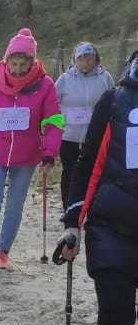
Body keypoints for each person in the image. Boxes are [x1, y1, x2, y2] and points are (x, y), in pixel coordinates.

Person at [57, 49, 138, 325]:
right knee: (117, 313)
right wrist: (73, 222)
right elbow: (86, 163)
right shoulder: (116, 99)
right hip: (112, 227)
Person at [0, 27, 62, 269]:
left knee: (15, 202)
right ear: (6, 60)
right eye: (14, 63)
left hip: (27, 154)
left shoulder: (45, 85)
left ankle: (3, 252)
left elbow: (54, 121)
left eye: (24, 63)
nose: (18, 69)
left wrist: (50, 152)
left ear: (32, 62)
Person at [54, 41, 114, 209]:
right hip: (69, 135)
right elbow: (52, 103)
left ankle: (92, 206)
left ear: (96, 59)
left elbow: (112, 100)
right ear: (75, 60)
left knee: (94, 171)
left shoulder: (105, 77)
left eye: (89, 59)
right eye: (81, 59)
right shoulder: (65, 79)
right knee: (70, 172)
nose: (86, 63)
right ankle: (69, 207)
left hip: (95, 136)